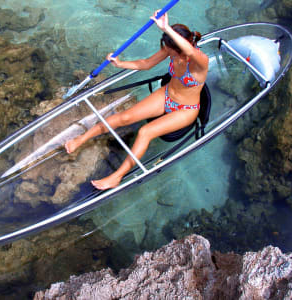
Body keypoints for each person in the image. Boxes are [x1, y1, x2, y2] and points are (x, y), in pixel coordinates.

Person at [65, 11, 209, 190]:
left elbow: (188, 50)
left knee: (145, 132)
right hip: (166, 95)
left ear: (180, 46)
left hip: (185, 109)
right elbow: (146, 63)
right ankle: (81, 138)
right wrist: (120, 63)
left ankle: (116, 177)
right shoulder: (171, 50)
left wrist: (165, 28)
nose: (166, 51)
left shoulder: (200, 61)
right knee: (124, 117)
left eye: (169, 49)